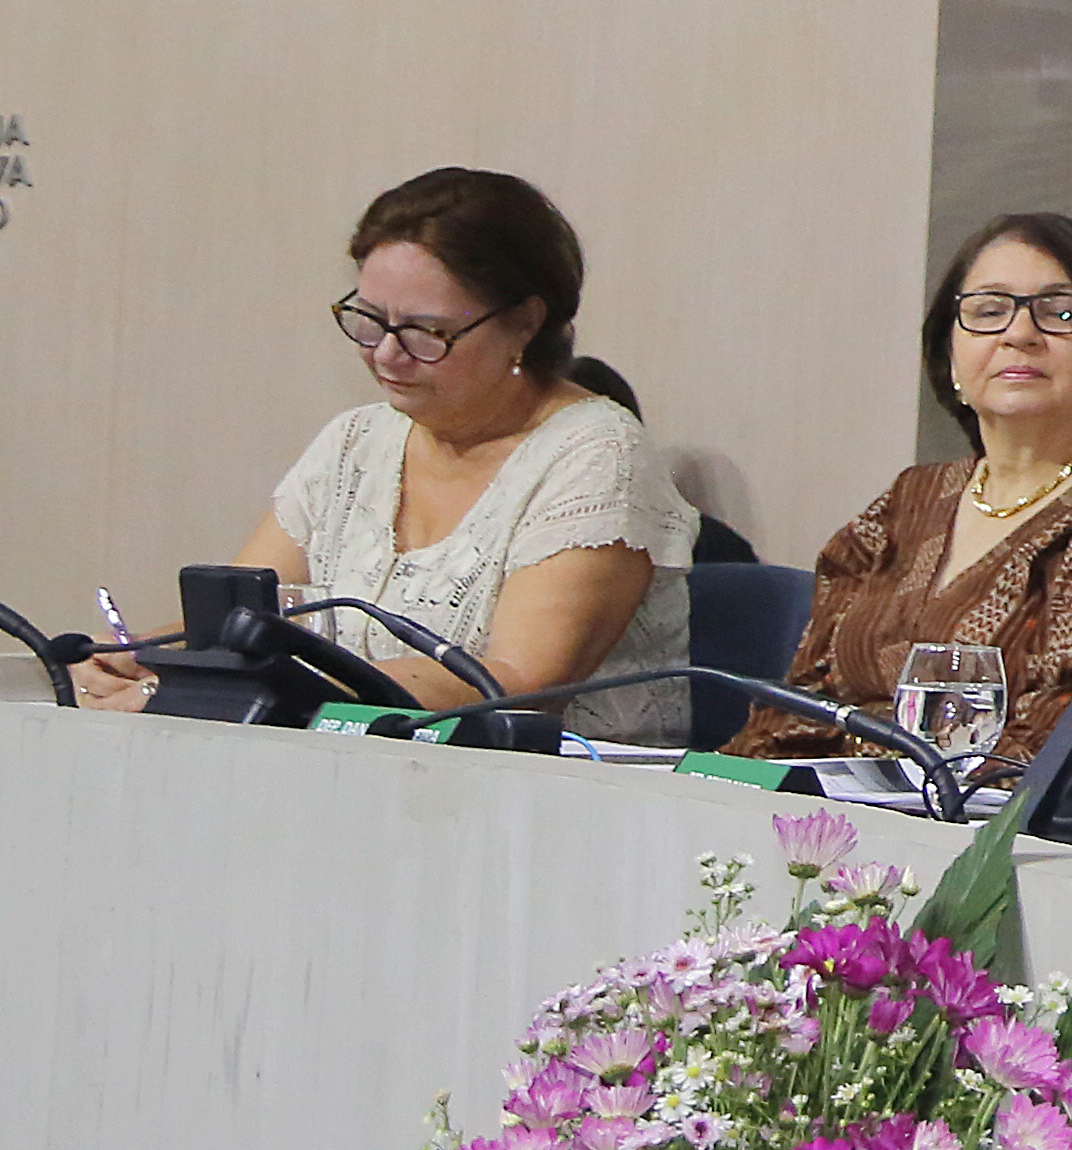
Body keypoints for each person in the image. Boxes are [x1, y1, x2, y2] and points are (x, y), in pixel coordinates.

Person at [83, 169, 694, 733]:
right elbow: (242, 623)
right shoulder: (357, 441)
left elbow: (514, 682)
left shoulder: (598, 457)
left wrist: (204, 690)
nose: (385, 355)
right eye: (369, 320)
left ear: (525, 322)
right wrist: (132, 658)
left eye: (425, 332)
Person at [736, 215, 1072, 771]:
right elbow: (794, 702)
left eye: (1060, 313)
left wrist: (875, 760)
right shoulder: (909, 500)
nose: (1019, 335)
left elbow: (1055, 743)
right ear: (950, 358)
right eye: (988, 311)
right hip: (845, 813)